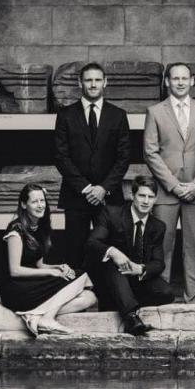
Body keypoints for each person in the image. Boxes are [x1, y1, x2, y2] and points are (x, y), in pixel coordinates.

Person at [142, 62, 195, 303]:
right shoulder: (155, 111)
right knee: (161, 248)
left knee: (194, 248)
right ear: (167, 82)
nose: (180, 82)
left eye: (185, 78)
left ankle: (194, 301)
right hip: (166, 192)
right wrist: (174, 185)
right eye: (175, 78)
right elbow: (150, 152)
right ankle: (160, 297)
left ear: (192, 81)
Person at [52, 61, 131, 269]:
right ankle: (75, 296)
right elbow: (61, 156)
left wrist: (103, 189)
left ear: (105, 82)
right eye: (88, 80)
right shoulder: (66, 115)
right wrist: (87, 189)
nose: (93, 84)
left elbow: (124, 158)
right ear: (80, 83)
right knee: (74, 251)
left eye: (97, 80)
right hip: (76, 195)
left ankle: (110, 298)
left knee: (111, 249)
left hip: (109, 196)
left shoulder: (118, 115)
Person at [0, 182, 97, 336]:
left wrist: (57, 267)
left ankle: (37, 315)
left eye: (42, 200)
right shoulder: (16, 230)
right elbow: (15, 271)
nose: (40, 205)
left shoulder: (40, 227)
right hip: (16, 289)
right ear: (24, 205)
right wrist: (51, 274)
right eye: (34, 201)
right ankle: (48, 318)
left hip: (33, 284)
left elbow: (39, 265)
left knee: (89, 298)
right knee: (81, 277)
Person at [87, 176, 175, 337]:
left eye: (150, 197)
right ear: (132, 195)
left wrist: (140, 269)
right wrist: (114, 252)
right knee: (113, 264)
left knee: (166, 292)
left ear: (155, 199)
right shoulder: (112, 213)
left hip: (135, 279)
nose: (145, 201)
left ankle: (124, 302)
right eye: (142, 196)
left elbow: (158, 263)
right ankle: (131, 318)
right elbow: (93, 242)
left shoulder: (158, 226)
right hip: (111, 277)